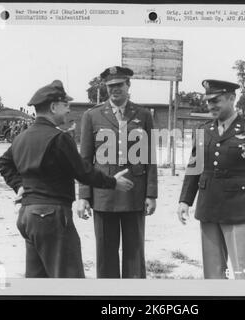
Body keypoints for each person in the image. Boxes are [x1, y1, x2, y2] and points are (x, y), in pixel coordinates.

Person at [0, 80, 134, 278]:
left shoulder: (22, 137)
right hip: (52, 217)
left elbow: (3, 164)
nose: (68, 110)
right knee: (69, 283)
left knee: (38, 283)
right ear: (53, 107)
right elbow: (84, 172)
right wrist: (113, 182)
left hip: (27, 217)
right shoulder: (59, 138)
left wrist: (19, 186)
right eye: (65, 105)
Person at [177, 79, 245, 279]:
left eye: (216, 100)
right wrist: (185, 200)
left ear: (232, 99)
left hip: (239, 208)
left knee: (244, 271)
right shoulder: (204, 131)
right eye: (208, 101)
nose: (211, 106)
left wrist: (244, 187)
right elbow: (194, 167)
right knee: (213, 272)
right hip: (209, 206)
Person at [77, 66, 158, 278]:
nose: (115, 90)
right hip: (104, 195)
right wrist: (84, 196)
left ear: (128, 85)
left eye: (119, 85)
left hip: (134, 192)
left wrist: (151, 194)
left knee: (134, 252)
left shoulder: (144, 115)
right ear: (106, 88)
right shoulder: (92, 116)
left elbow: (151, 158)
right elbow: (85, 161)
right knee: (105, 252)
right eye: (111, 86)